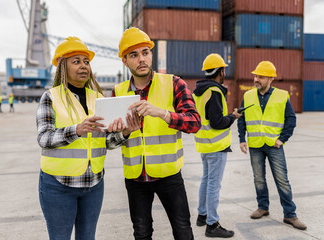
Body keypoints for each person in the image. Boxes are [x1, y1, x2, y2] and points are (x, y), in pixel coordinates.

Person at [36, 36, 133, 240]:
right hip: (58, 184)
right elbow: (44, 138)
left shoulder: (97, 98)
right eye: (76, 61)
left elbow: (105, 142)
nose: (83, 66)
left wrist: (124, 133)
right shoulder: (51, 97)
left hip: (94, 183)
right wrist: (76, 130)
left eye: (86, 62)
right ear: (63, 66)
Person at [112, 27, 201, 240]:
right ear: (125, 61)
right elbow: (109, 142)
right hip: (135, 178)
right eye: (134, 55)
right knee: (141, 233)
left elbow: (195, 123)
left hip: (169, 174)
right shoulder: (117, 92)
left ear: (151, 54)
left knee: (182, 231)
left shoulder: (173, 83)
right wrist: (124, 133)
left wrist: (163, 114)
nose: (141, 59)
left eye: (145, 52)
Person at [237, 61, 307, 230]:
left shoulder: (282, 96)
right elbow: (242, 118)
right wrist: (241, 138)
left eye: (260, 77)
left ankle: (290, 215)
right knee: (259, 179)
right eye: (255, 76)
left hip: (274, 145)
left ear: (271, 79)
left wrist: (282, 139)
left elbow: (291, 119)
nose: (256, 79)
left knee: (282, 180)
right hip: (255, 144)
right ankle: (263, 207)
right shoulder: (248, 96)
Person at [192, 54, 241, 238]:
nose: (224, 73)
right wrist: (233, 117)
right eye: (224, 70)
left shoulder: (200, 91)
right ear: (220, 71)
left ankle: (202, 215)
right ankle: (212, 224)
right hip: (216, 145)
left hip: (204, 145)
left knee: (206, 180)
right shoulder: (215, 91)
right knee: (214, 184)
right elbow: (217, 122)